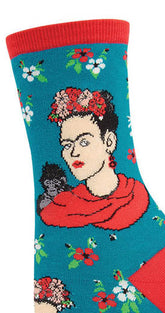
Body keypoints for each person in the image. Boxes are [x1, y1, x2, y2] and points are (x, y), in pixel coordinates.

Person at [39, 87, 149, 230]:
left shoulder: (135, 195)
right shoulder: (60, 208)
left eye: (84, 142)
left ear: (109, 142)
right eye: (67, 145)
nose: (74, 153)